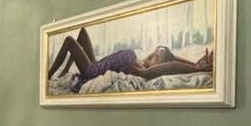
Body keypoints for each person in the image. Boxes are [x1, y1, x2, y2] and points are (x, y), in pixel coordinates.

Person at [48, 26, 213, 92]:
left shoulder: (141, 70)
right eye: (155, 51)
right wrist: (194, 62)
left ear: (158, 65)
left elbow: (171, 65)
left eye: (157, 57)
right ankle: (63, 70)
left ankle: (47, 76)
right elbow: (170, 57)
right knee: (82, 32)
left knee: (69, 41)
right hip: (96, 64)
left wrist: (196, 68)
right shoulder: (139, 60)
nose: (153, 54)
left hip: (92, 71)